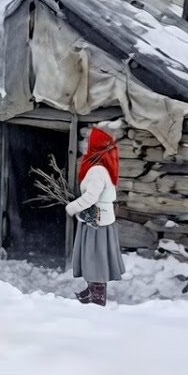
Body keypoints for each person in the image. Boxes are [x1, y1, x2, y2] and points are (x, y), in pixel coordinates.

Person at [65, 127, 126, 306]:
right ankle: (91, 290)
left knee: (95, 257)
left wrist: (72, 207)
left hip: (97, 221)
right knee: (94, 256)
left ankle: (97, 296)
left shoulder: (97, 170)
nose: (85, 147)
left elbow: (91, 196)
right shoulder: (101, 166)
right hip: (97, 219)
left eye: (88, 143)